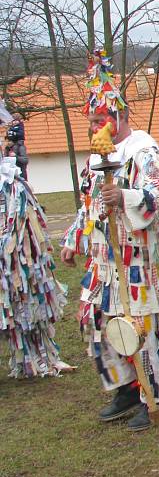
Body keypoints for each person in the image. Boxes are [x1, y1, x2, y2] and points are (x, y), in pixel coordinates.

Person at [60, 49, 159, 432]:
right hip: (102, 260)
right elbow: (88, 204)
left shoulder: (142, 152)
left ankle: (151, 394)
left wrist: (124, 196)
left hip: (135, 259)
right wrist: (75, 239)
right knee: (95, 319)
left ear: (119, 117)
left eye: (100, 119)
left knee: (138, 328)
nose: (95, 127)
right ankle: (124, 387)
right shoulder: (97, 157)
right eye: (91, 121)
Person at [1, 158, 71, 378]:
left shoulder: (15, 187)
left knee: (26, 311)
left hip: (13, 264)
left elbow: (24, 228)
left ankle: (37, 358)